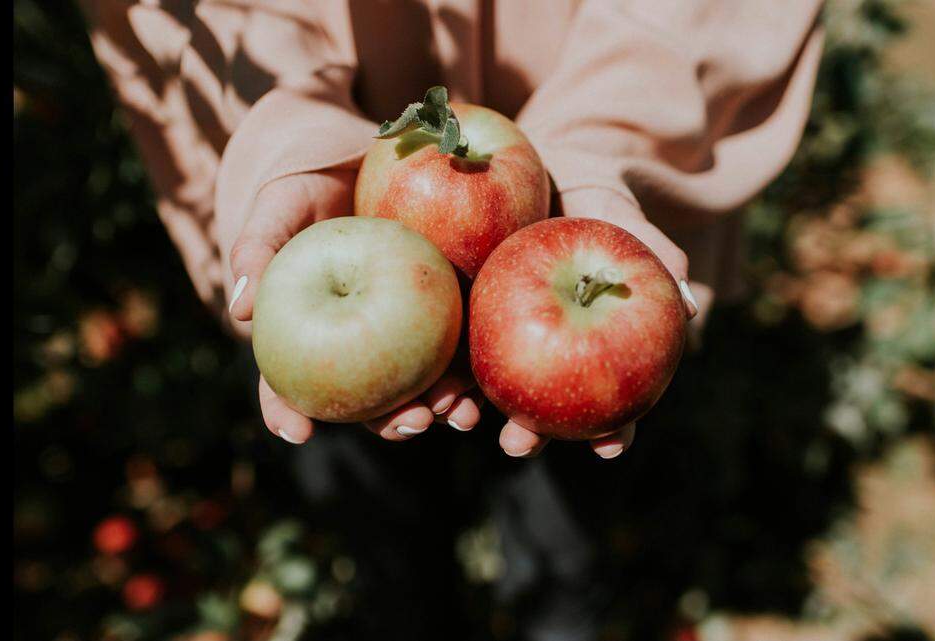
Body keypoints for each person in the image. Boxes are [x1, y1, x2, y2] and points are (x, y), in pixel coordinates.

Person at [81, 1, 825, 638]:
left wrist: (606, 140)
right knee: (383, 532)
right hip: (341, 238)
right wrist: (290, 125)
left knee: (566, 538)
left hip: (581, 210)